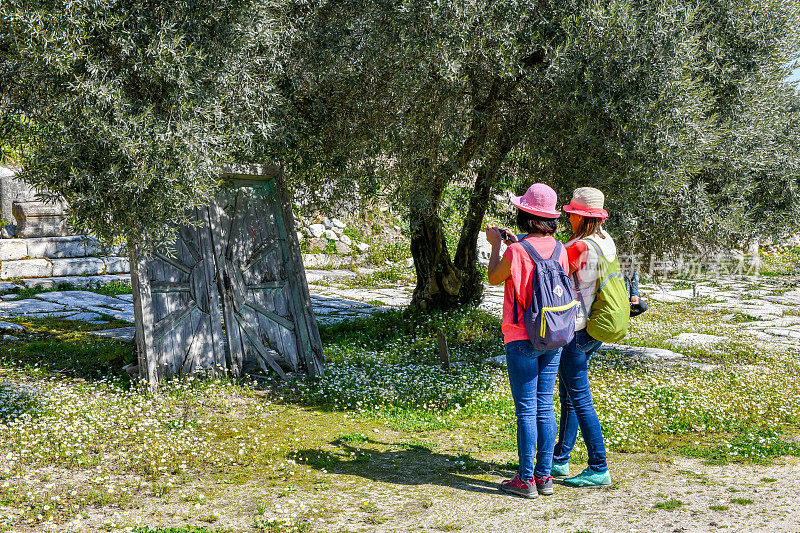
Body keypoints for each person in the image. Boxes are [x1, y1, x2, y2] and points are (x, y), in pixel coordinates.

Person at [485, 183, 570, 499]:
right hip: (553, 333)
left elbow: (494, 277)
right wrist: (513, 242)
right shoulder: (560, 249)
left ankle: (524, 480)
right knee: (545, 407)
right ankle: (544, 476)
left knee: (526, 409)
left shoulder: (516, 251)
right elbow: (541, 259)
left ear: (525, 215)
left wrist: (496, 245)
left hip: (521, 336)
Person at [551, 187, 614, 487]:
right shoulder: (606, 241)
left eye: (571, 214)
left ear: (580, 216)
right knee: (570, 395)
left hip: (576, 329)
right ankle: (560, 459)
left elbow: (551, 267)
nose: (569, 218)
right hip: (597, 327)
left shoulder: (578, 247)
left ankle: (598, 466)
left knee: (579, 398)